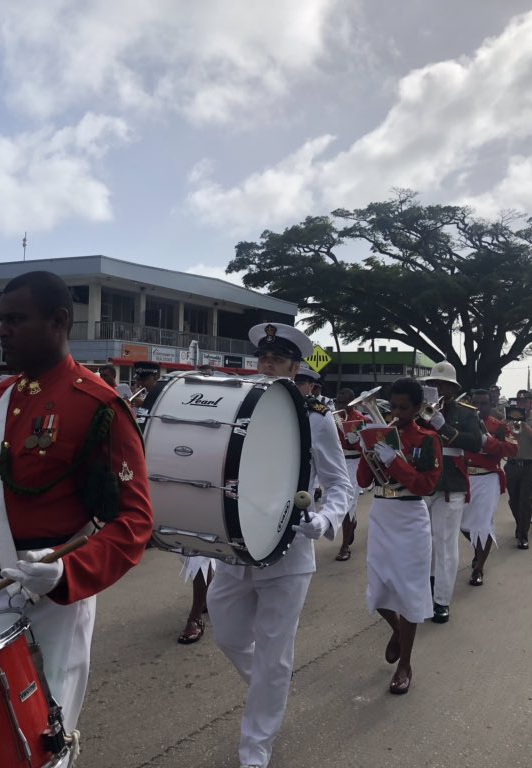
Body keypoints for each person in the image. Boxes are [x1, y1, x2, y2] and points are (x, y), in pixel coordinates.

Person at [0, 271, 153, 734]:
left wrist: (68, 572)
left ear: (59, 321)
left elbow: (135, 522)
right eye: (0, 319)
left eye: (16, 319)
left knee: (40, 737)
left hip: (49, 598)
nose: (1, 329)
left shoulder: (96, 405)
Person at [206, 322, 353, 768]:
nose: (267, 364)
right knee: (229, 636)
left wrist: (325, 519)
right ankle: (272, 685)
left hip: (288, 553)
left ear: (294, 366)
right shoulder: (237, 407)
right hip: (236, 547)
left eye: (276, 359)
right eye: (263, 358)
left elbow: (340, 483)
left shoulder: (315, 415)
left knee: (273, 653)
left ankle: (256, 748)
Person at [357, 377, 442, 695]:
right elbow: (364, 479)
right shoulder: (380, 433)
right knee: (378, 588)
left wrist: (396, 461)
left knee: (408, 591)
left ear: (418, 408)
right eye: (392, 406)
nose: (397, 412)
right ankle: (398, 630)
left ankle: (405, 663)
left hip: (409, 516)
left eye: (404, 407)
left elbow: (426, 485)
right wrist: (366, 449)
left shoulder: (427, 439)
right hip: (382, 513)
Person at [419, 362, 482, 624]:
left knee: (444, 543)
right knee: (423, 543)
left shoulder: (467, 413)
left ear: (452, 388)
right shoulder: (417, 411)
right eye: (433, 384)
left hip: (449, 482)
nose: (437, 388)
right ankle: (424, 592)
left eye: (442, 384)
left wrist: (443, 426)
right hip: (422, 480)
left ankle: (442, 600)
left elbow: (475, 444)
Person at [460, 389, 518, 586]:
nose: (478, 407)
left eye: (483, 403)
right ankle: (478, 551)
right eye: (474, 402)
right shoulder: (461, 425)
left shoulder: (499, 427)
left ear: (490, 405)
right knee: (462, 524)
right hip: (464, 477)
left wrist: (488, 441)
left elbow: (512, 449)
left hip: (487, 478)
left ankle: (479, 569)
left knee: (483, 525)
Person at [504, 390, 532, 549]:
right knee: (513, 501)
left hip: (530, 466)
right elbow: (501, 437)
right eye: (519, 402)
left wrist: (524, 425)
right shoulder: (508, 421)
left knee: (525, 500)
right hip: (513, 465)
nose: (521, 405)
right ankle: (520, 524)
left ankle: (523, 535)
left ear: (531, 403)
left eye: (524, 402)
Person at [333, 387, 365, 561]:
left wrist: (357, 442)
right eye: (338, 401)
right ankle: (351, 524)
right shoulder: (333, 417)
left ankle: (344, 547)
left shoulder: (361, 419)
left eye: (344, 402)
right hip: (337, 462)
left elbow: (368, 447)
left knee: (347, 504)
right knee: (336, 501)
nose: (340, 404)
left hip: (354, 463)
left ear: (352, 403)